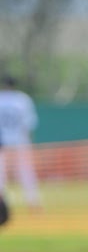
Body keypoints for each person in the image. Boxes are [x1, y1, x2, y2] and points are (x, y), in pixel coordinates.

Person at [0, 74, 42, 211]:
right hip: (20, 140)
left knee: (1, 173)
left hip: (2, 141)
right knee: (26, 171)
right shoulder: (22, 99)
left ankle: (1, 203)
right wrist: (30, 141)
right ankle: (33, 202)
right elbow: (29, 123)